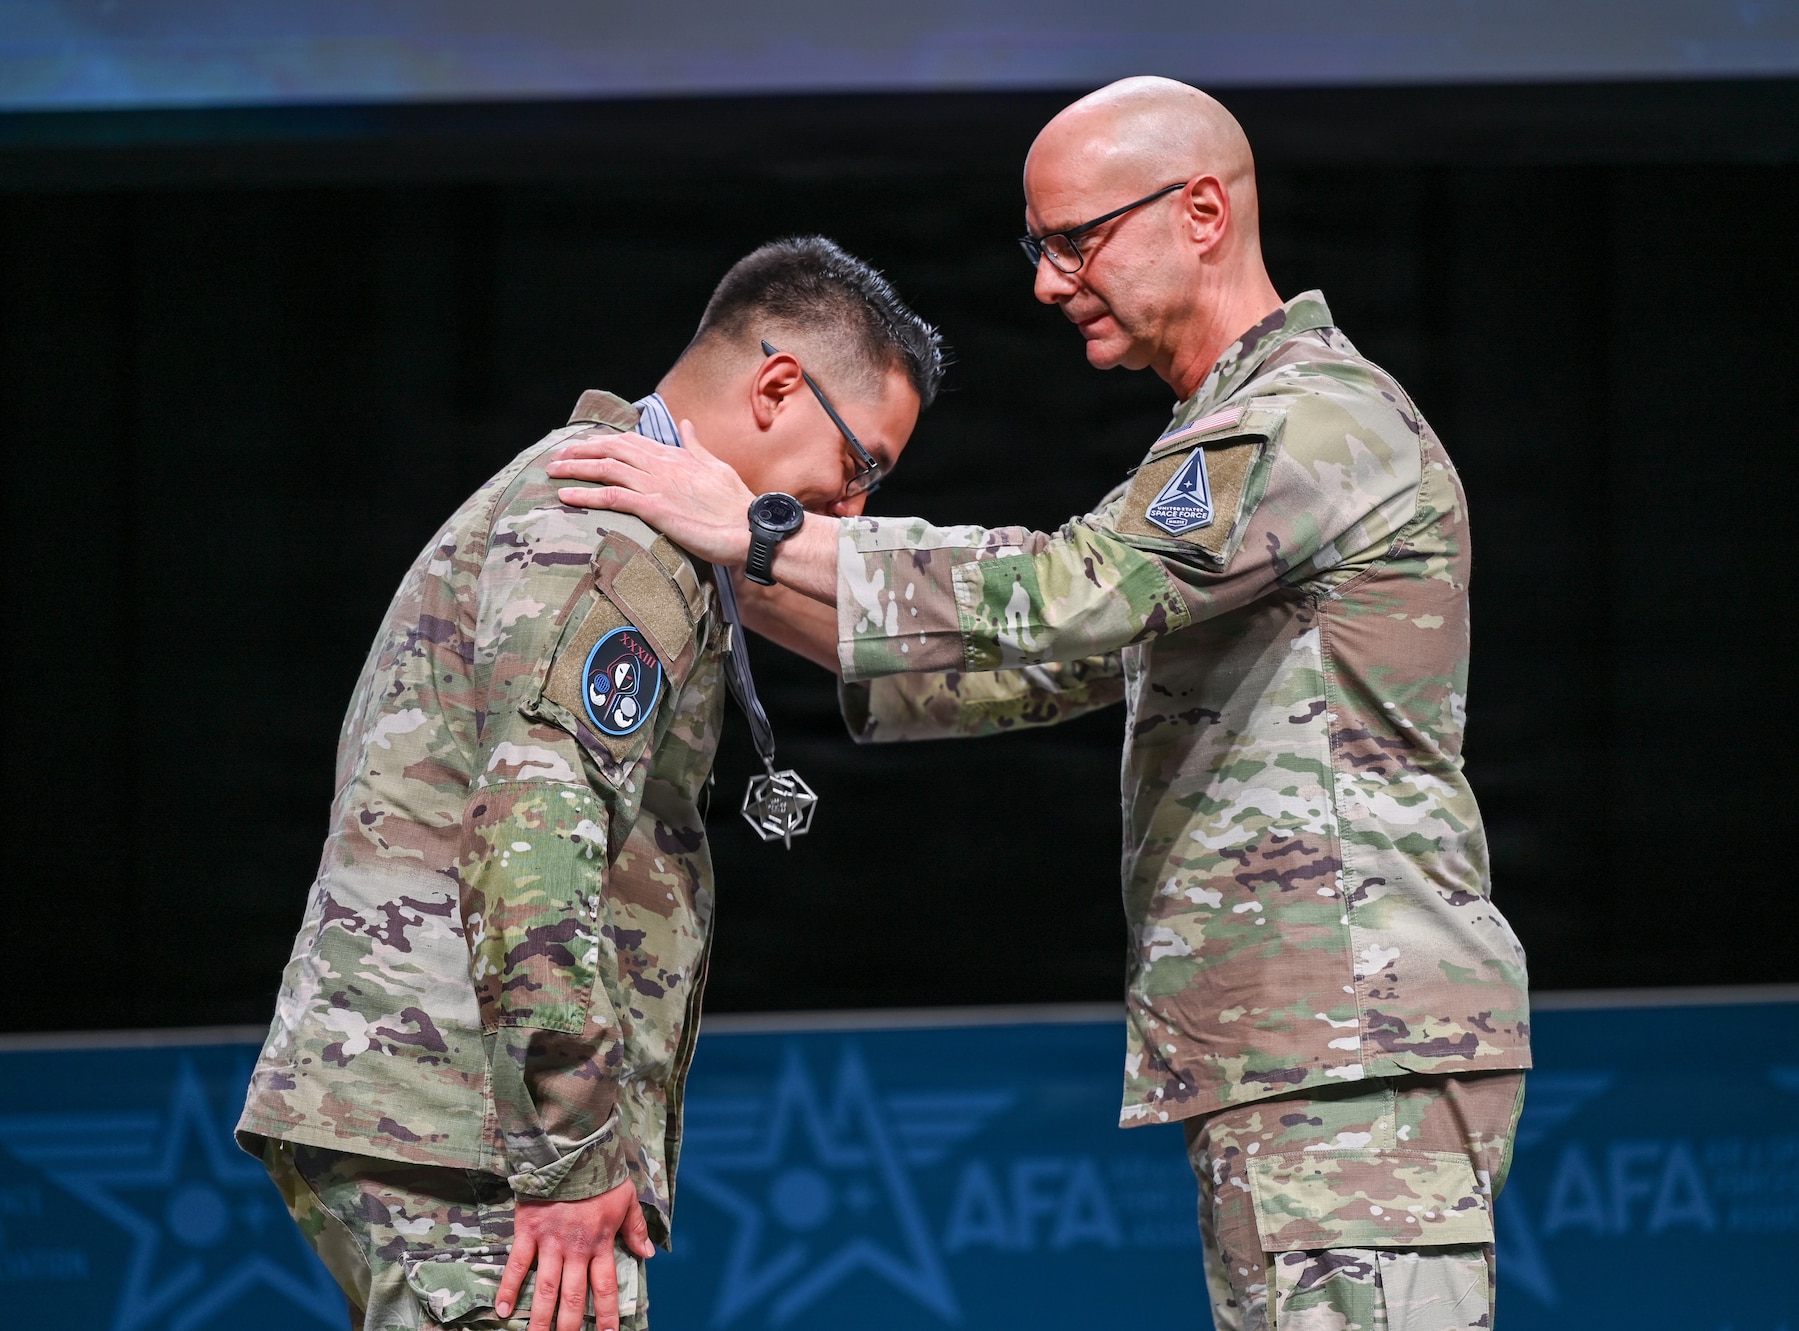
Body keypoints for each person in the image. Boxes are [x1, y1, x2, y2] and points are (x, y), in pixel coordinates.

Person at [546, 79, 1531, 1330]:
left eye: (1076, 240)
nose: (1047, 282)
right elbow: (1035, 665)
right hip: (1304, 1045)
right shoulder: (1232, 431)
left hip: (1352, 1044)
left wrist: (751, 524)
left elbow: (1061, 593)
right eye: (1037, 247)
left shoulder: (1305, 422)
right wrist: (718, 561)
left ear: (1202, 212)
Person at [234, 236, 942, 1331]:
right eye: (863, 467)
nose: (848, 512)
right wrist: (567, 1151)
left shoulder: (598, 498)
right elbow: (534, 839)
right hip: (477, 1128)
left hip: (442, 1108)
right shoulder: (615, 528)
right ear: (776, 386)